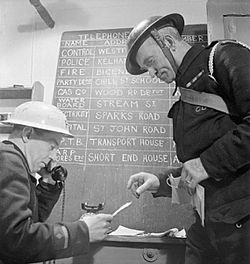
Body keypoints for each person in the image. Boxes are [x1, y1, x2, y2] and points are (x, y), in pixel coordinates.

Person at [125, 13, 250, 264]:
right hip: (208, 226)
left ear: (169, 41)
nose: (151, 73)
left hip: (243, 228)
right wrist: (160, 182)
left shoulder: (224, 57)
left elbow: (205, 163)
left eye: (150, 62)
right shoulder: (185, 95)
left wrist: (206, 164)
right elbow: (199, 164)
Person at [0, 101, 113, 264]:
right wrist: (83, 232)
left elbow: (30, 222)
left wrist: (47, 184)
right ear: (27, 134)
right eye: (52, 146)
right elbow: (16, 241)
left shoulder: (15, 162)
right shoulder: (9, 162)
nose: (54, 156)